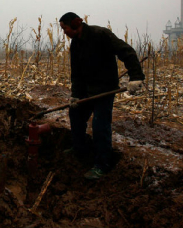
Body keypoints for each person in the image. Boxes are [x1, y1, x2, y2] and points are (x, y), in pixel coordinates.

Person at [59, 12, 145, 180]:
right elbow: (76, 73)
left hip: (105, 89)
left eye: (65, 28)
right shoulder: (75, 45)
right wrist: (76, 96)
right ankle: (80, 148)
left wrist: (136, 77)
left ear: (76, 25)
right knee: (75, 114)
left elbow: (127, 52)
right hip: (86, 91)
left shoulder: (101, 35)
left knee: (100, 125)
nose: (64, 32)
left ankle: (102, 165)